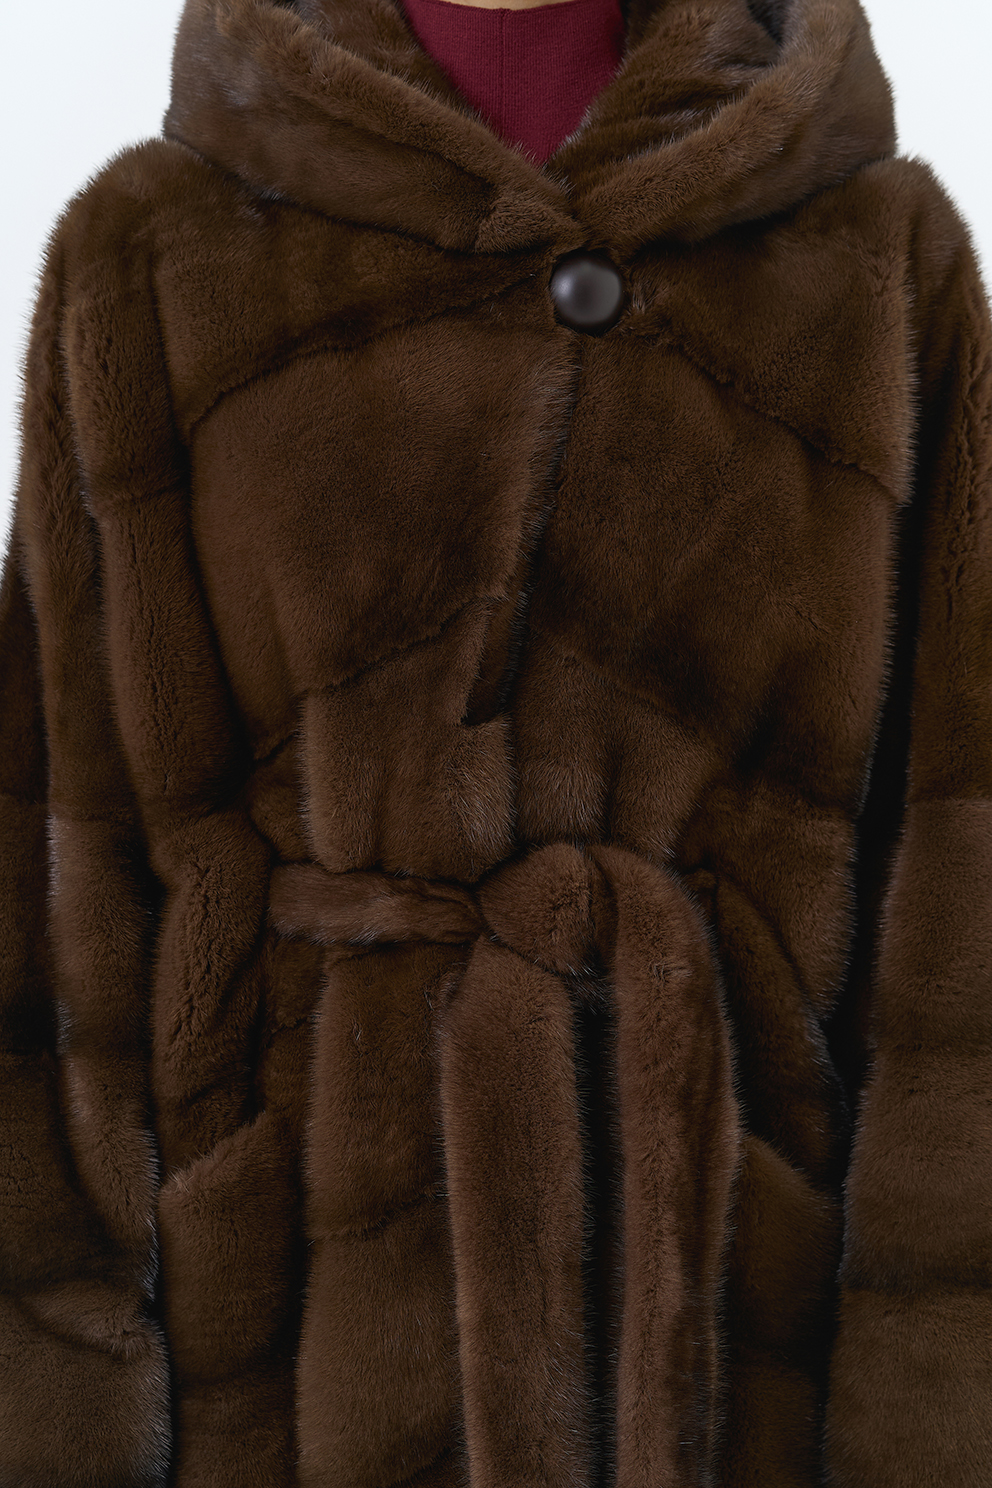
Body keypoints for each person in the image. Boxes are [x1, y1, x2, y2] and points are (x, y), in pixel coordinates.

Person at [1, 0, 990, 1483]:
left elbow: (963, 876)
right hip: (289, 1312)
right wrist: (66, 1397)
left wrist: (932, 1406)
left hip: (735, 1290)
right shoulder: (154, 251)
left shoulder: (876, 256)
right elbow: (58, 863)